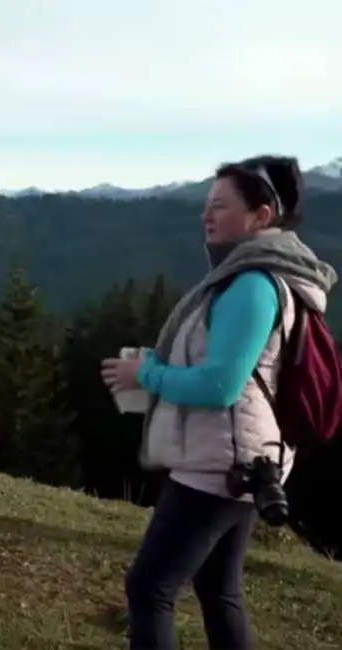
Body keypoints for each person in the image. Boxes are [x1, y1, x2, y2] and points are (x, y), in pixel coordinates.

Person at [100, 155, 338, 650]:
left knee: (149, 588)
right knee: (216, 588)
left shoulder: (252, 285)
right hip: (244, 459)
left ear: (261, 217)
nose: (206, 215)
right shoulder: (253, 278)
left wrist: (145, 373)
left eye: (220, 206)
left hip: (221, 464)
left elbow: (219, 387)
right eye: (206, 205)